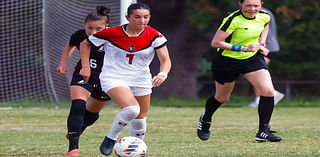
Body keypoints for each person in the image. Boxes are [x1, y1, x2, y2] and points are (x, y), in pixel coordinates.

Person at [79, 3, 171, 156]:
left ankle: (135, 152)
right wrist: (85, 66)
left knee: (140, 119)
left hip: (140, 79)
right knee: (132, 109)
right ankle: (111, 138)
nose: (142, 20)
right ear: (127, 17)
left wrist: (162, 74)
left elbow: (166, 60)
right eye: (137, 17)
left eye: (146, 17)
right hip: (114, 77)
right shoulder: (111, 33)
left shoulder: (154, 35)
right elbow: (85, 44)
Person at [197, 0, 282, 142]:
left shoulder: (265, 16)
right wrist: (243, 48)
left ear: (261, 4)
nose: (252, 9)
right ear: (240, 4)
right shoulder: (233, 20)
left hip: (251, 59)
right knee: (222, 98)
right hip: (227, 62)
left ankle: (263, 131)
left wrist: (261, 44)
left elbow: (265, 27)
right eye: (248, 5)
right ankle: (205, 119)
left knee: (268, 91)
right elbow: (216, 43)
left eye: (256, 5)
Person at [56, 6, 111, 156]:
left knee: (92, 114)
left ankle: (79, 128)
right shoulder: (80, 35)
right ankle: (73, 147)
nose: (93, 32)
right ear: (84, 25)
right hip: (83, 74)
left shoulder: (114, 36)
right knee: (78, 105)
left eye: (98, 29)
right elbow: (70, 46)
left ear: (107, 26)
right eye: (90, 28)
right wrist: (62, 64)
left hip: (107, 78)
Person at [248, 7, 285, 108]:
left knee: (255, 71)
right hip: (268, 46)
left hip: (267, 47)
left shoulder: (261, 12)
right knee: (255, 72)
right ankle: (261, 98)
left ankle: (263, 97)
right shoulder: (261, 10)